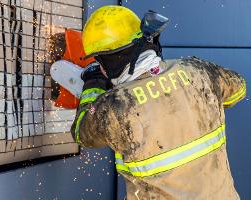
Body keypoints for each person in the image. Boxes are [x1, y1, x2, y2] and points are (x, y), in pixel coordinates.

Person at [71, 5, 246, 200]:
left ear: (108, 62)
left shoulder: (114, 106)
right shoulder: (199, 71)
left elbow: (81, 133)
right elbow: (239, 88)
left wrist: (93, 83)